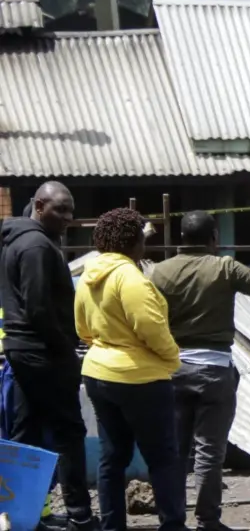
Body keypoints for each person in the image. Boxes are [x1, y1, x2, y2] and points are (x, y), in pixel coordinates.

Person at [151, 210, 250, 531]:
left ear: (182, 238)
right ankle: (208, 521)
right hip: (214, 373)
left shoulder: (158, 273)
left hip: (172, 371)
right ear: (214, 238)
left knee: (174, 451)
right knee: (209, 452)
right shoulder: (224, 268)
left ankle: (171, 521)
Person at [75, 207, 185, 531]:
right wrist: (172, 360)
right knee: (162, 457)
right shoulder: (131, 279)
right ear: (134, 242)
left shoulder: (88, 276)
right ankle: (173, 525)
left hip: (98, 373)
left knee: (112, 456)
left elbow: (82, 329)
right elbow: (151, 328)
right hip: (140, 378)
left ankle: (111, 526)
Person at [0, 181, 96, 531]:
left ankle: (21, 516)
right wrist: (65, 349)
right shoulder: (37, 246)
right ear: (39, 206)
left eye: (71, 210)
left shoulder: (18, 240)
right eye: (61, 209)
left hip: (23, 350)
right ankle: (80, 514)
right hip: (42, 352)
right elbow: (38, 308)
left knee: (25, 436)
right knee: (69, 431)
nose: (68, 217)